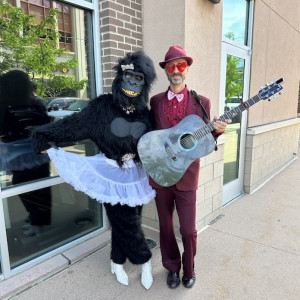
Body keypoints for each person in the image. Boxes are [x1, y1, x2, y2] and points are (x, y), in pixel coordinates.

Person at [31, 51, 157, 289]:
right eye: (128, 76)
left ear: (145, 83)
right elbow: (74, 125)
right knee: (127, 223)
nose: (132, 82)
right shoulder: (102, 106)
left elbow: (153, 142)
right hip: (110, 173)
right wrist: (44, 135)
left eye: (138, 78)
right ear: (120, 77)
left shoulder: (144, 113)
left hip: (136, 175)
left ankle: (117, 261)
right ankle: (145, 261)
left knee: (129, 220)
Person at [149, 45, 231, 289]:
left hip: (187, 176)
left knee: (187, 229)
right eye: (171, 66)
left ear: (187, 69)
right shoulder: (155, 102)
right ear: (165, 71)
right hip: (162, 175)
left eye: (181, 65)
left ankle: (189, 268)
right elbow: (151, 137)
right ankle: (172, 268)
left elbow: (204, 142)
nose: (176, 70)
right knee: (165, 227)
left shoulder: (201, 102)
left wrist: (216, 132)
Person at [0, 69, 52, 236]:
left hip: (21, 156)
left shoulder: (6, 105)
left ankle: (38, 220)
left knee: (26, 185)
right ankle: (39, 219)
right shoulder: (36, 103)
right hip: (37, 154)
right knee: (40, 188)